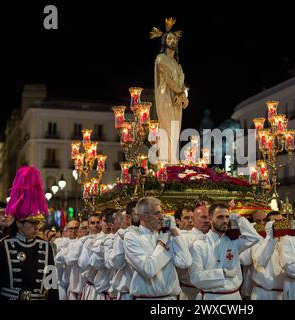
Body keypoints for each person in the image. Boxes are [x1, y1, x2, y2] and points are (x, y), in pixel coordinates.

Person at [0, 166, 58, 300]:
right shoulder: (4, 246)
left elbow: (52, 286)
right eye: (33, 222)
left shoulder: (47, 247)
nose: (37, 227)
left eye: (39, 223)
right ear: (19, 223)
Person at [189, 203, 261, 300]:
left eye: (227, 217)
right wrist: (222, 273)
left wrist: (240, 219)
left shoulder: (233, 242)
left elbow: (254, 238)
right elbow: (196, 278)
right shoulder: (199, 245)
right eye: (220, 217)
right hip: (210, 296)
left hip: (234, 296)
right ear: (210, 219)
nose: (225, 221)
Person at [124, 197, 191, 299]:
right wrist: (162, 244)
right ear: (144, 216)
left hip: (170, 297)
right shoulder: (132, 236)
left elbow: (185, 262)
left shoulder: (168, 234)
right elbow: (148, 270)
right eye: (157, 213)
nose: (161, 217)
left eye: (162, 213)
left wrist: (175, 232)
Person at [151, 17, 188, 164]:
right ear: (164, 41)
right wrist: (180, 93)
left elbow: (182, 82)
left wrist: (184, 96)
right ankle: (165, 163)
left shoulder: (177, 64)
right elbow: (167, 78)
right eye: (170, 39)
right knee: (166, 127)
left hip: (177, 100)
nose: (173, 41)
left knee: (175, 129)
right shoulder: (160, 58)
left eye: (174, 39)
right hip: (165, 97)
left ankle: (173, 162)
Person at [241, 212, 285, 300]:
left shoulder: (287, 239)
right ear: (267, 224)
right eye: (275, 221)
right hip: (262, 293)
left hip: (283, 293)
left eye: (281, 221)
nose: (279, 224)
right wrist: (270, 238)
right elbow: (259, 262)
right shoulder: (259, 241)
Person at [177, 205, 210, 300]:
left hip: (211, 291)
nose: (207, 220)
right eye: (203, 217)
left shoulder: (213, 236)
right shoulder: (184, 236)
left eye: (209, 217)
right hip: (189, 291)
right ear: (195, 219)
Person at [65, 213, 101, 300]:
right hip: (77, 289)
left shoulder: (103, 239)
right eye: (92, 223)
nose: (95, 225)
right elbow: (69, 260)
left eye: (98, 222)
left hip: (95, 289)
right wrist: (81, 242)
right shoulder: (78, 243)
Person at [106, 204, 137, 300]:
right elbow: (116, 263)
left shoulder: (148, 233)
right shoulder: (120, 236)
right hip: (128, 291)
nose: (120, 222)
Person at [54, 220, 79, 299]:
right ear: (67, 230)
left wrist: (64, 254)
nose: (73, 231)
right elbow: (55, 260)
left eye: (76, 228)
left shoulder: (81, 241)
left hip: (76, 283)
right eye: (71, 228)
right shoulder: (59, 242)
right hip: (61, 281)